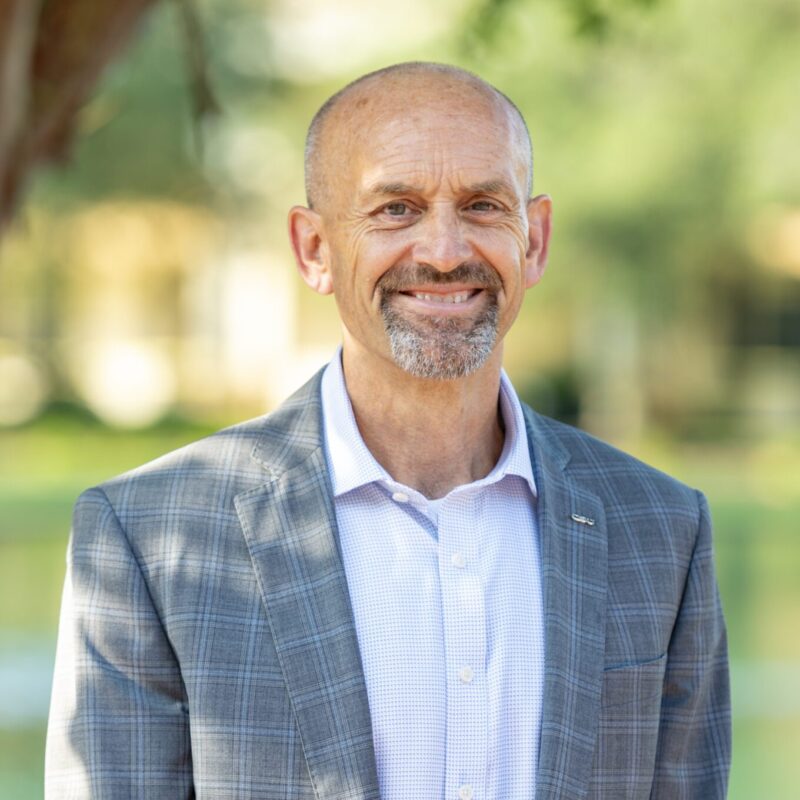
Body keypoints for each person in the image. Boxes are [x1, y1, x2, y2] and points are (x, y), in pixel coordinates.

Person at [45, 62, 731, 799]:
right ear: (314, 250)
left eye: (482, 206)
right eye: (396, 209)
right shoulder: (148, 538)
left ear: (533, 241)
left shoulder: (662, 529)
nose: (444, 252)